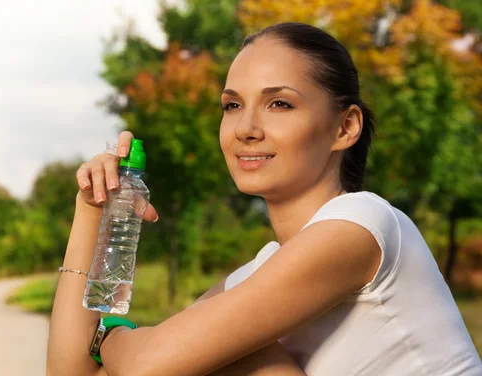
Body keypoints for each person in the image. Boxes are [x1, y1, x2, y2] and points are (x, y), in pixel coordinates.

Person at [46, 22, 482, 375]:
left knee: (234, 356)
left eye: (279, 104)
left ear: (345, 127)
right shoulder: (259, 272)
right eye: (232, 106)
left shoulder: (363, 224)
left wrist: (111, 337)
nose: (245, 128)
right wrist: (92, 211)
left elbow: (150, 364)